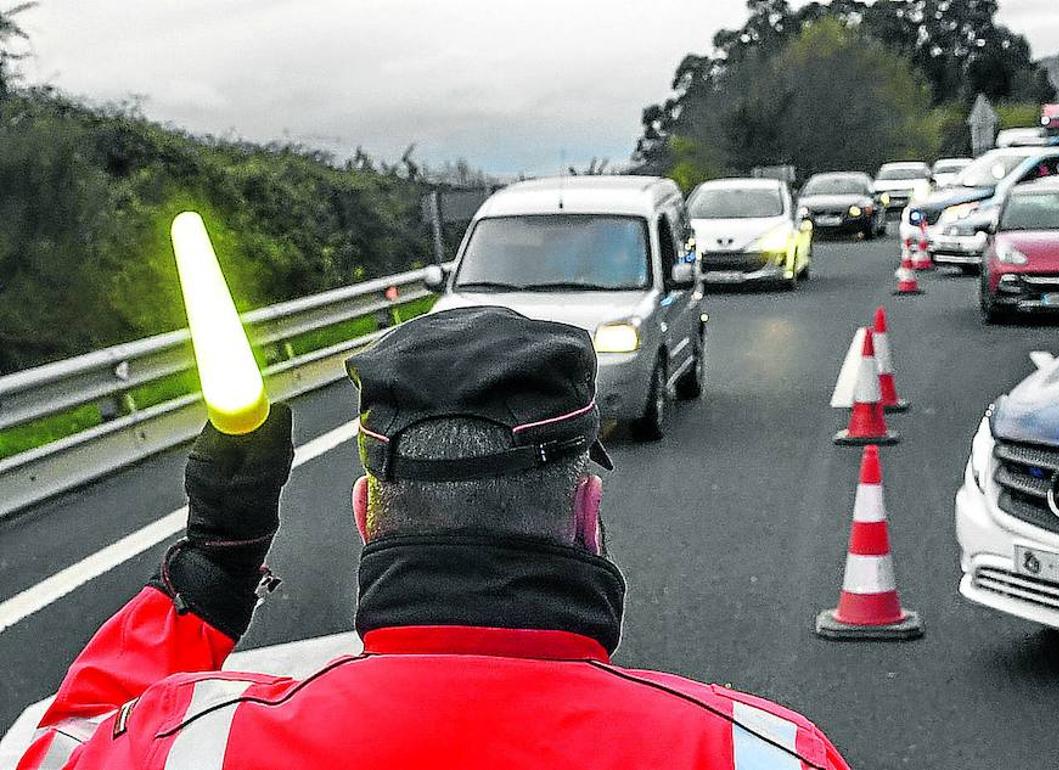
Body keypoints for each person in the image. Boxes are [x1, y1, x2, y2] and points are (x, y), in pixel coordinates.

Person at [18, 306, 849, 770]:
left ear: (362, 516)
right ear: (588, 518)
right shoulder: (760, 755)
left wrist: (210, 571)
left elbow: (56, 751)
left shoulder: (189, 748)